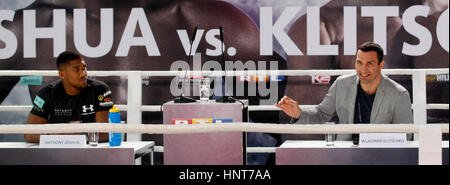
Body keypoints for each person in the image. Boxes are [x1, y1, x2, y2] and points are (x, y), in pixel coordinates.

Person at [276, 42, 413, 140]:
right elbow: (321, 114)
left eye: (369, 63)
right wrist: (299, 113)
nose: (363, 69)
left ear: (381, 65)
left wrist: (373, 142)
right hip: (345, 156)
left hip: (381, 159)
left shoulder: (399, 94)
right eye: (359, 63)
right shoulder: (341, 84)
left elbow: (407, 135)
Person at [24, 51, 114, 143]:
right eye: (76, 69)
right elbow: (29, 134)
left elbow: (106, 133)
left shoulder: (100, 90)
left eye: (84, 68)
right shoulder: (46, 93)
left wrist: (73, 139)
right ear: (62, 75)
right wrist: (59, 139)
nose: (84, 74)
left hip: (91, 151)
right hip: (57, 152)